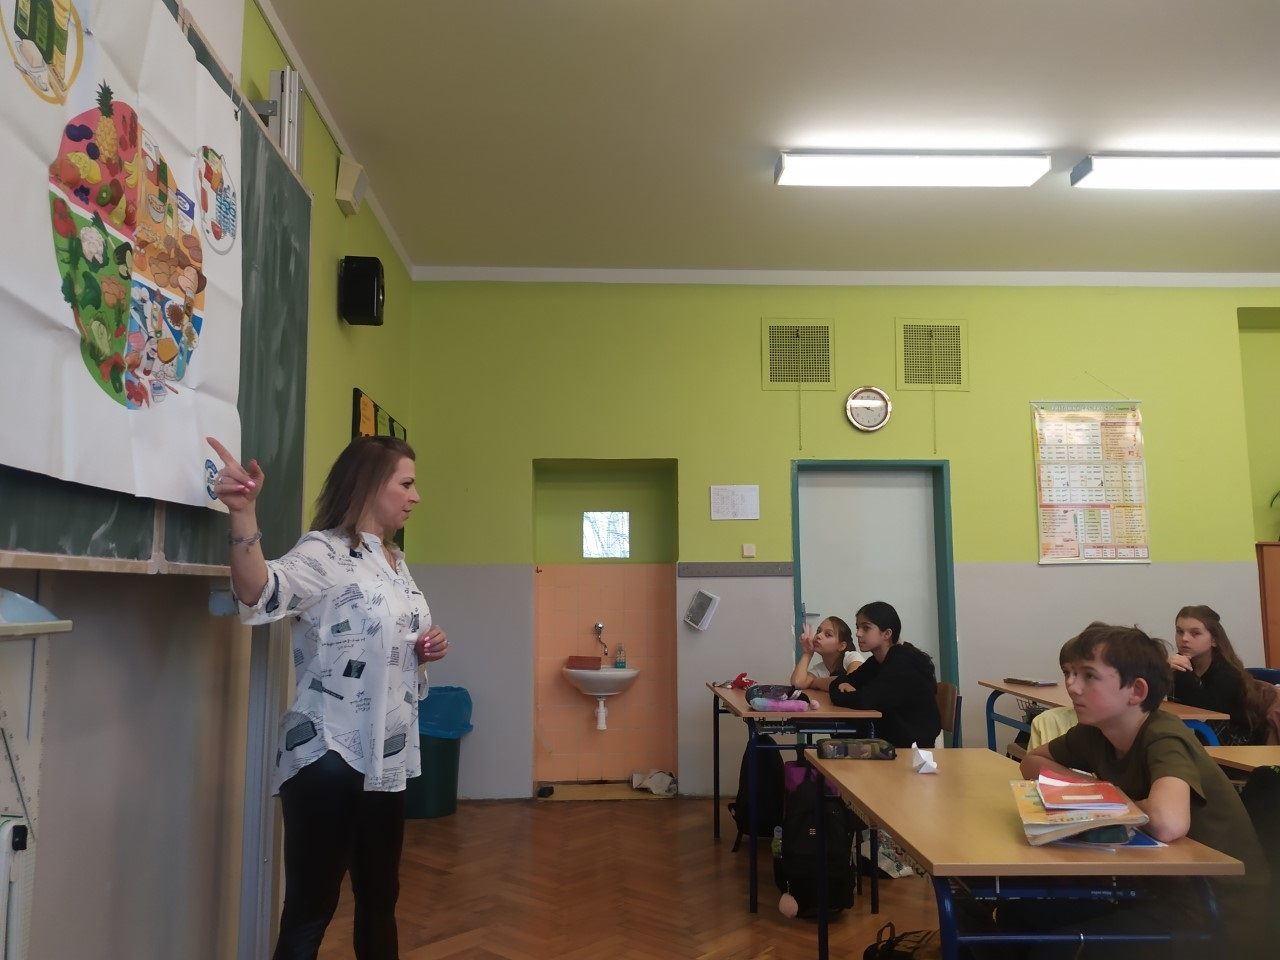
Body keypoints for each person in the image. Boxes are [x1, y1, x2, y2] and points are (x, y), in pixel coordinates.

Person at [207, 434, 448, 960]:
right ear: (370, 484)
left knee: (381, 900)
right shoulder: (324, 551)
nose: (416, 496)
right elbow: (259, 592)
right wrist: (243, 513)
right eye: (407, 484)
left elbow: (386, 635)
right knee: (310, 911)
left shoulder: (392, 559)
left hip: (385, 758)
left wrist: (425, 646)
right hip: (328, 755)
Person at [1018, 622, 1267, 957]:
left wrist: (1105, 798)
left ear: (1136, 691)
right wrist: (1096, 790)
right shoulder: (1096, 731)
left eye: (1088, 675)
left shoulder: (1164, 735)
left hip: (1213, 908)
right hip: (1155, 887)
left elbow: (1168, 822)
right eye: (1068, 673)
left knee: (1052, 949)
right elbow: (1032, 762)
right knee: (1020, 918)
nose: (1072, 686)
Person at [827, 601, 941, 748]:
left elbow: (865, 700)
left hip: (911, 747)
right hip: (890, 735)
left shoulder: (902, 662)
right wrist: (845, 687)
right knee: (840, 734)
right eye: (858, 627)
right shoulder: (877, 660)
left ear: (887, 634)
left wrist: (847, 693)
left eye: (866, 628)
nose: (858, 633)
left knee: (840, 739)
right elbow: (840, 682)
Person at [1167, 604, 1267, 745]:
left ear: (1214, 640)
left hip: (1234, 741)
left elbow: (1203, 710)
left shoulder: (1228, 673)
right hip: (1200, 735)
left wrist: (1184, 671)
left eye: (1195, 633)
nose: (1184, 639)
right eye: (1180, 631)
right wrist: (1162, 669)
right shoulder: (1178, 663)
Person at [789, 615, 863, 690]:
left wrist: (815, 683)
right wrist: (807, 653)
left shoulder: (852, 656)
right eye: (818, 631)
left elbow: (852, 681)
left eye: (828, 635)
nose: (818, 635)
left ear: (842, 646)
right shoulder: (820, 669)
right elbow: (797, 684)